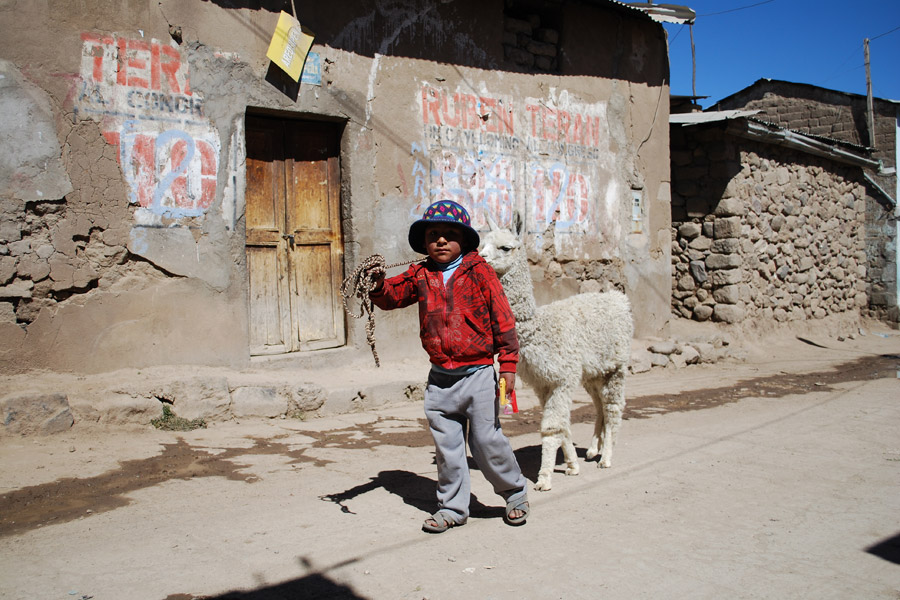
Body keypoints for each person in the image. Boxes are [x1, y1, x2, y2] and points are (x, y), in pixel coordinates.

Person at [368, 200, 530, 533]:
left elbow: (503, 318)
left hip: (481, 376)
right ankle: (453, 508)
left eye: (449, 234)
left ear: (465, 241)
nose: (440, 240)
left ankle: (514, 493)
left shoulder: (479, 271)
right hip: (440, 380)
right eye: (433, 234)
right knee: (448, 449)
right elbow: (393, 296)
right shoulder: (421, 273)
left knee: (487, 442)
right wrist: (377, 284)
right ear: (424, 241)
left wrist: (509, 364)